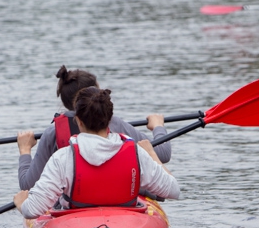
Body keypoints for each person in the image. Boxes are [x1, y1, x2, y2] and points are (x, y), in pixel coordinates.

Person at [13, 87, 180, 219]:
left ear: (78, 120)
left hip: (77, 225)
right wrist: (151, 153)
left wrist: (22, 204)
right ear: (109, 119)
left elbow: (32, 210)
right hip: (125, 223)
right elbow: (173, 191)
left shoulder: (62, 158)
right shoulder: (137, 152)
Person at [17, 65, 171, 190]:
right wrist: (158, 126)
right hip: (118, 199)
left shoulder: (52, 133)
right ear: (97, 94)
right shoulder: (113, 123)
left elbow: (27, 185)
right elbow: (163, 154)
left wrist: (25, 151)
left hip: (72, 205)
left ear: (64, 101)